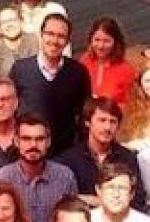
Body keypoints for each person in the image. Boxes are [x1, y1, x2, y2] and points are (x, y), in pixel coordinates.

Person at [0, 113, 78, 222]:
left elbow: (73, 220)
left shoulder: (65, 177)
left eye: (40, 139)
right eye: (26, 139)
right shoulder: (1, 179)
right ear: (16, 141)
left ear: (48, 141)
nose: (33, 145)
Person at [10, 13, 91, 155]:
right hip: (27, 152)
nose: (55, 40)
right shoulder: (20, 70)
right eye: (50, 34)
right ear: (41, 35)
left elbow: (84, 114)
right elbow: (10, 109)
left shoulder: (78, 72)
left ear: (67, 41)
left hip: (65, 152)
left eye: (61, 36)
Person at [56, 96, 145, 209]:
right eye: (102, 120)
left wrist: (97, 201)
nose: (107, 127)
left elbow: (138, 199)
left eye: (113, 122)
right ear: (88, 122)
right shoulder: (68, 160)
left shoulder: (127, 158)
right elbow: (61, 199)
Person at [78, 17, 136, 106]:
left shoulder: (126, 70)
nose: (101, 46)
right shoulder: (84, 62)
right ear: (91, 40)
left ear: (116, 43)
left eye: (106, 41)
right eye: (97, 40)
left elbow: (132, 105)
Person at [0, 4, 38, 81]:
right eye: (4, 22)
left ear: (21, 22)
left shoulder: (32, 39)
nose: (9, 25)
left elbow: (39, 71)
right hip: (5, 91)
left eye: (13, 20)